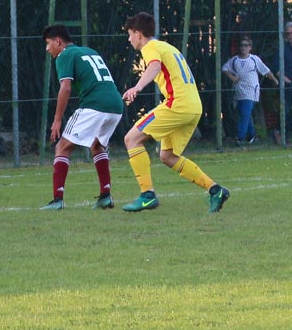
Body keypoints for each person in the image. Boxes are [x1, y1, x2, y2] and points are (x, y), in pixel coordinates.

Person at [120, 12, 230, 213]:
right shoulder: (167, 46)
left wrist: (138, 87)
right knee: (168, 156)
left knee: (131, 139)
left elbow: (154, 66)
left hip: (177, 105)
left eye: (129, 34)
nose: (129, 39)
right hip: (193, 107)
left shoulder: (150, 47)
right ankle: (216, 190)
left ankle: (147, 195)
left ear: (138, 33)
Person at [40, 25, 123, 210]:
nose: (47, 49)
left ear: (57, 41)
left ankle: (57, 200)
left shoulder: (64, 55)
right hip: (116, 105)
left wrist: (57, 120)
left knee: (62, 147)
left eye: (48, 43)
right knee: (97, 145)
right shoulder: (89, 51)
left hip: (95, 105)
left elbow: (65, 88)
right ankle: (105, 197)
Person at [222, 36, 277, 144]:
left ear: (250, 47)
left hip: (251, 91)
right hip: (239, 92)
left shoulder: (254, 59)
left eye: (245, 45)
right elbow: (224, 68)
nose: (243, 48)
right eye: (241, 45)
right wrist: (233, 78)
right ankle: (252, 136)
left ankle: (240, 137)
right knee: (244, 113)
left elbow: (265, 70)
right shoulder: (235, 60)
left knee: (245, 113)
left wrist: (274, 79)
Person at [272, 21, 292, 142]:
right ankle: (279, 133)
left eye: (291, 33)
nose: (290, 36)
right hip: (287, 86)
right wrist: (287, 80)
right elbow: (276, 69)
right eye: (288, 34)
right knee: (287, 111)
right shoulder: (282, 49)